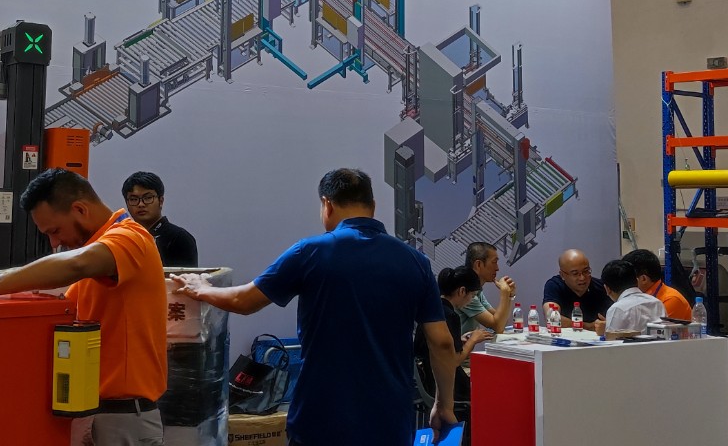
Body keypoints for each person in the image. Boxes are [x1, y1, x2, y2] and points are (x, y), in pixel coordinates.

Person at [170, 169, 461, 446]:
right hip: (389, 422)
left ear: (327, 204)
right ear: (372, 206)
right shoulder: (415, 262)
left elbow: (244, 301)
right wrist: (443, 404)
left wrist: (202, 288)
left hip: (321, 419)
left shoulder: (310, 252)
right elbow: (442, 343)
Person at [0, 168, 167, 446]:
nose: (54, 243)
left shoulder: (131, 238)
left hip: (123, 419)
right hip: (90, 413)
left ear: (80, 209)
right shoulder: (96, 261)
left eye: (55, 231)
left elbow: (76, 264)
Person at [415, 266, 492, 425]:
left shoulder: (432, 311)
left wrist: (460, 340)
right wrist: (473, 340)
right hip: (446, 388)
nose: (471, 299)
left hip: (426, 380)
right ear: (462, 291)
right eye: (472, 295)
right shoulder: (450, 316)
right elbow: (452, 361)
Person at [122, 171, 198, 268]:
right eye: (133, 199)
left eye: (148, 198)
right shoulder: (125, 238)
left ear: (161, 201)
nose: (141, 204)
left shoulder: (180, 238)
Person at [542, 249, 613, 329]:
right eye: (575, 273)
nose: (582, 278)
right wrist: (588, 326)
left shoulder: (601, 287)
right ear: (562, 275)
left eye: (586, 271)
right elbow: (551, 317)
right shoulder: (555, 285)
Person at [459, 241, 516, 336]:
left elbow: (502, 321)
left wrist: (509, 295)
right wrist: (504, 292)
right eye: (494, 262)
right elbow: (497, 326)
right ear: (478, 265)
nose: (497, 268)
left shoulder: (476, 290)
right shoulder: (465, 291)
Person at [601, 259, 666, 339]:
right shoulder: (657, 303)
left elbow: (612, 342)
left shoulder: (617, 308)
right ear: (637, 280)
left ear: (607, 289)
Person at [624, 248, 692, 321]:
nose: (624, 283)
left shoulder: (671, 299)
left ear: (643, 279)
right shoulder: (639, 296)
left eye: (627, 278)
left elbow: (650, 328)